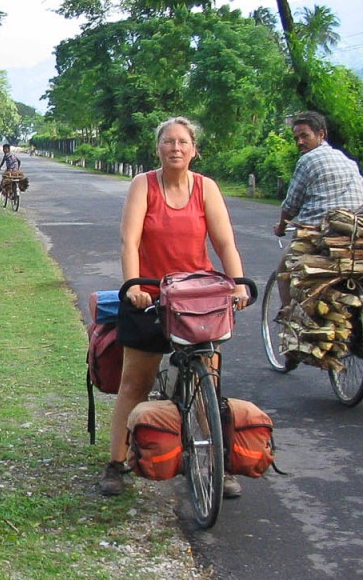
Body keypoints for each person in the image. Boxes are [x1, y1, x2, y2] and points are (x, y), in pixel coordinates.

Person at [100, 117, 251, 498]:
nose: (176, 148)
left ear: (194, 148)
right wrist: (133, 287)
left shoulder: (206, 188)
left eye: (183, 142)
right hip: (150, 294)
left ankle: (216, 462)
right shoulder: (143, 185)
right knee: (135, 383)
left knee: (208, 386)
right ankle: (116, 462)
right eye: (168, 141)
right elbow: (129, 241)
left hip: (197, 300)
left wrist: (237, 283)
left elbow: (224, 242)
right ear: (158, 149)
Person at [273, 111, 363, 311]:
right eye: (296, 138)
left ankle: (289, 317)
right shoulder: (346, 159)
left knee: (282, 271)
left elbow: (291, 205)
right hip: (356, 232)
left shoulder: (308, 160)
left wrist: (281, 228)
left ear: (321, 135)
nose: (300, 142)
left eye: (305, 136)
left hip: (321, 233)